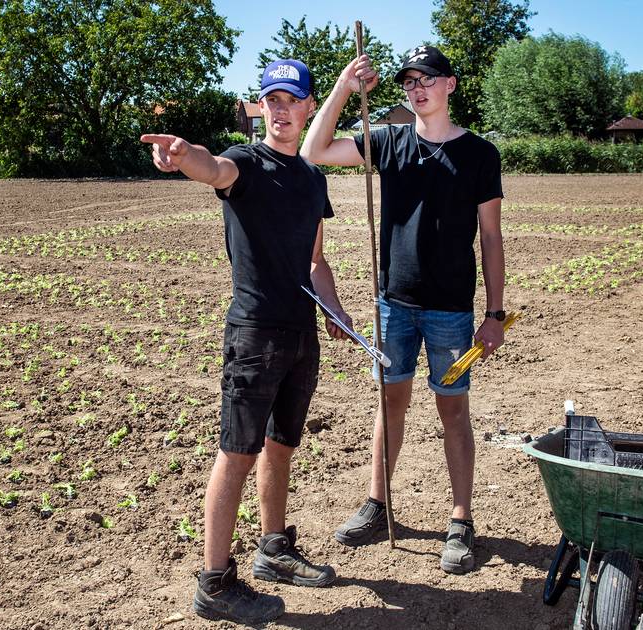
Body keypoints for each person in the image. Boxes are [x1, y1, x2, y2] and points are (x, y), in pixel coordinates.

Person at [141, 58, 354, 624]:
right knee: (237, 454)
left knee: (282, 445)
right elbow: (213, 170)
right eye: (272, 100)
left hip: (300, 333)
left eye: (292, 100)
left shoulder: (312, 179)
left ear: (308, 107)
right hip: (255, 334)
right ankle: (214, 583)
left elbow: (315, 259)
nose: (281, 110)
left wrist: (335, 308)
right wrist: (184, 157)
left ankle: (273, 549)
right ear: (261, 108)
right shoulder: (246, 164)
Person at [300, 45, 505, 574]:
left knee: (453, 410)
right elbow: (314, 150)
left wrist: (495, 312)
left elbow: (491, 237)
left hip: (453, 314)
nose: (417, 89)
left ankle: (461, 520)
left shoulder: (481, 155)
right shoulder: (388, 140)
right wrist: (346, 86)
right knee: (389, 406)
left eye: (428, 79)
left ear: (450, 85)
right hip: (393, 306)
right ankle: (377, 503)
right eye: (409, 82)